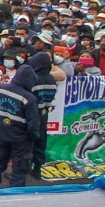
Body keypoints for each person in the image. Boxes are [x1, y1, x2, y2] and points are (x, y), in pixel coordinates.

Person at [0, 63, 42, 190]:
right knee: (20, 167)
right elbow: (33, 123)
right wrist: (34, 137)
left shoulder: (1, 89)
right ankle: (15, 192)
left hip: (2, 134)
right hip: (21, 139)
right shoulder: (29, 98)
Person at [28, 52, 57, 180]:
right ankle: (38, 169)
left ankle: (25, 168)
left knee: (28, 141)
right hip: (44, 114)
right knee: (41, 141)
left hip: (32, 114)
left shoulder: (33, 78)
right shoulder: (51, 78)